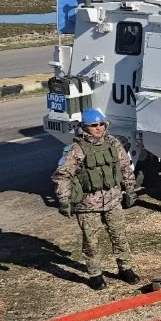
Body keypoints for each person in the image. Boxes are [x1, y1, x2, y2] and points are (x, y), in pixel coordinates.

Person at [52, 107, 140, 291]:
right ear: (85, 127)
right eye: (94, 125)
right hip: (87, 205)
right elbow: (62, 176)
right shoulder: (76, 149)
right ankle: (95, 274)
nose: (98, 128)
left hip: (113, 200)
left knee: (119, 236)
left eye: (101, 124)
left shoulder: (113, 143)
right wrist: (64, 200)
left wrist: (130, 189)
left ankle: (125, 268)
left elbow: (125, 167)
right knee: (91, 242)